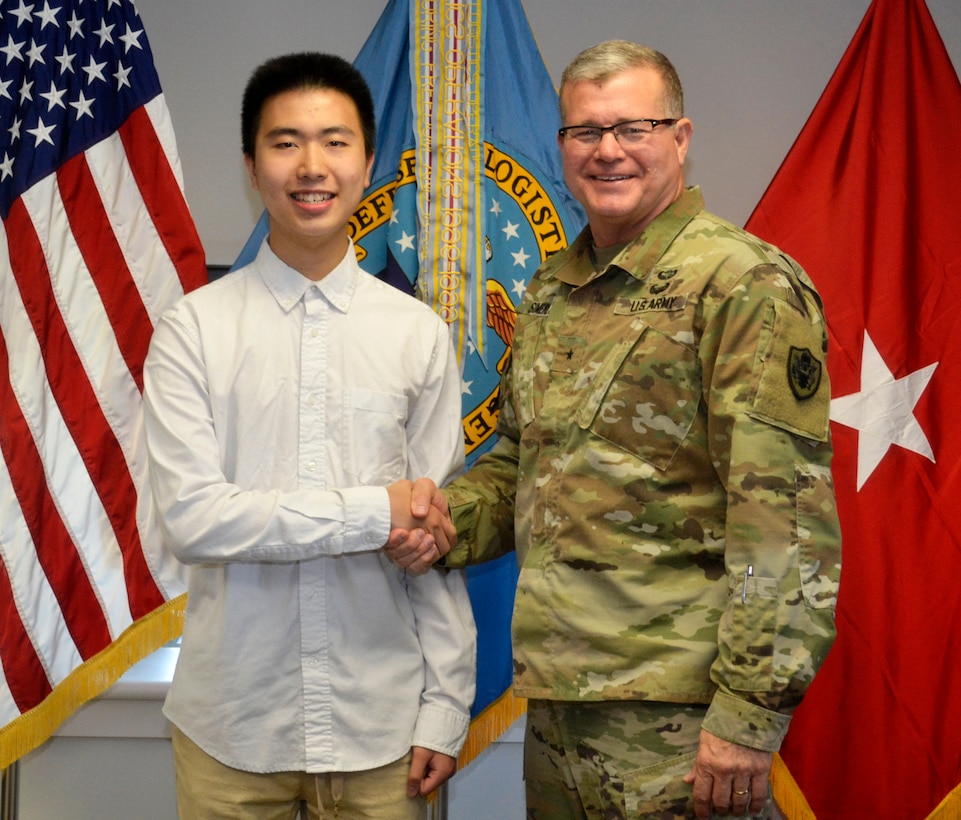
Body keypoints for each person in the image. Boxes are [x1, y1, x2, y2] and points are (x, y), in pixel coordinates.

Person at [388, 40, 841, 819]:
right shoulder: (553, 293)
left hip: (683, 722)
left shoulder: (739, 283)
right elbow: (520, 468)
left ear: (680, 136)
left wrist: (746, 719)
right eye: (585, 132)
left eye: (632, 127)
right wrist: (437, 525)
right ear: (561, 146)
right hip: (564, 706)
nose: (607, 151)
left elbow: (784, 523)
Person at [143, 52, 476, 819]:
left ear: (366, 164)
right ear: (251, 166)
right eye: (285, 142)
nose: (311, 165)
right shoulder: (193, 330)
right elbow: (195, 521)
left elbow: (435, 538)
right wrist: (374, 510)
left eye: (335, 141)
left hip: (382, 729)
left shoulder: (417, 334)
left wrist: (445, 704)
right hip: (231, 729)